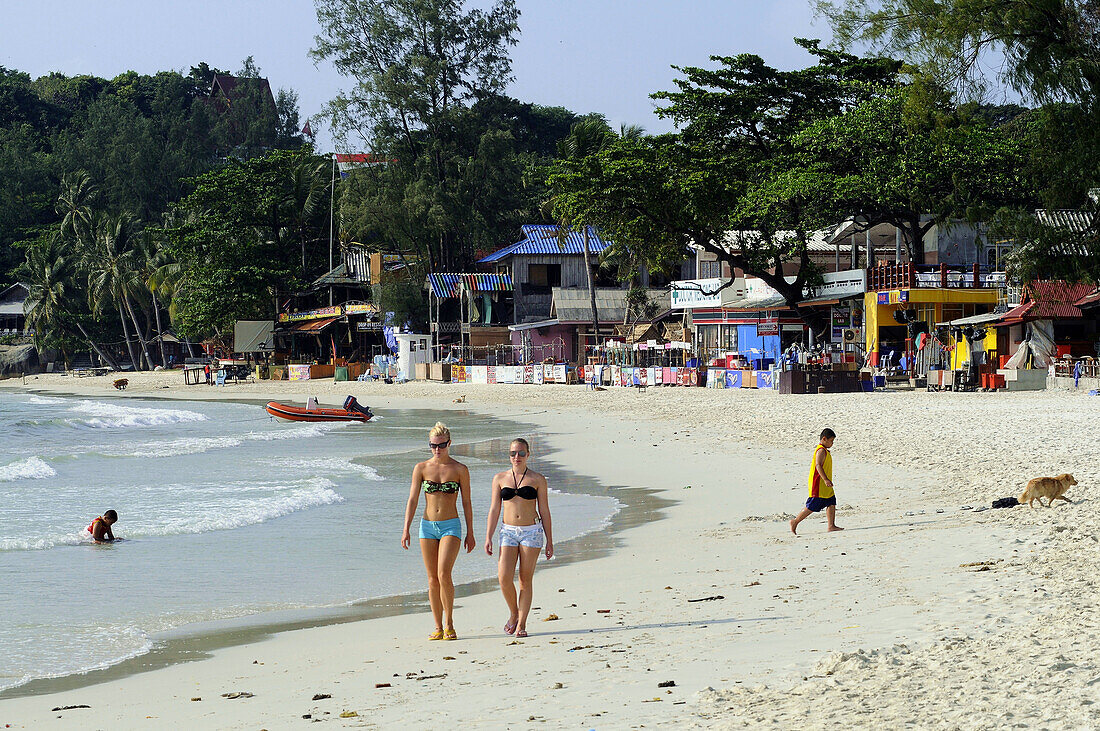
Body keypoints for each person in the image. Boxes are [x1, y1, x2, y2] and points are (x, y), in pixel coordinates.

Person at [402, 422, 474, 640]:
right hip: (427, 526)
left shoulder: (460, 469)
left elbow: (467, 502)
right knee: (432, 578)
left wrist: (471, 532)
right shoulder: (421, 468)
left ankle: (450, 622)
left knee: (444, 573)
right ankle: (437, 626)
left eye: (441, 445)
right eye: (433, 445)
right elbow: (413, 499)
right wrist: (406, 528)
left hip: (451, 525)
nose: (437, 450)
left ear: (449, 443)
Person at [485, 437, 554, 638]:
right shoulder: (499, 478)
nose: (517, 457)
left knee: (525, 579)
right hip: (507, 531)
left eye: (521, 453)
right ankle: (514, 613)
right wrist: (488, 536)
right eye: (513, 453)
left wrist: (550, 540)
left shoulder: (537, 479)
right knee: (504, 577)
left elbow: (545, 510)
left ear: (528, 455)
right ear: (509, 455)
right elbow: (494, 509)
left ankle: (522, 624)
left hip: (531, 532)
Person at [790, 429, 843, 535]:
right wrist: (825, 479)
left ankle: (831, 525)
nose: (832, 444)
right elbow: (818, 465)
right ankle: (795, 521)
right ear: (824, 439)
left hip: (825, 484)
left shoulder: (825, 450)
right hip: (819, 483)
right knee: (812, 505)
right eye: (831, 441)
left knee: (831, 502)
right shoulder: (821, 451)